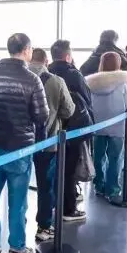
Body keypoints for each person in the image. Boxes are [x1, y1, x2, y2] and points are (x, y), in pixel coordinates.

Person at [0, 33, 49, 253]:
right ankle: (16, 249)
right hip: (20, 148)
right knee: (18, 201)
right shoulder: (32, 79)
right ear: (27, 50)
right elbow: (42, 115)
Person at [28, 48, 74, 243]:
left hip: (18, 144)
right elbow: (68, 110)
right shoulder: (56, 81)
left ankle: (18, 226)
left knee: (16, 187)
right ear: (46, 61)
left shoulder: (19, 78)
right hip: (47, 141)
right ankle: (44, 226)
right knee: (46, 186)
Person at [48, 40, 91, 222]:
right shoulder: (74, 75)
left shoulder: (46, 73)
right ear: (67, 57)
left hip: (50, 131)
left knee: (53, 169)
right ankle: (68, 209)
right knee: (69, 170)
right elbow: (86, 101)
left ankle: (52, 202)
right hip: (72, 129)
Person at [85, 52, 127, 200]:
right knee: (116, 158)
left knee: (98, 156)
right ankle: (112, 189)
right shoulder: (123, 83)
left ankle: (99, 186)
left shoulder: (91, 83)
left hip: (97, 126)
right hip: (117, 127)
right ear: (118, 64)